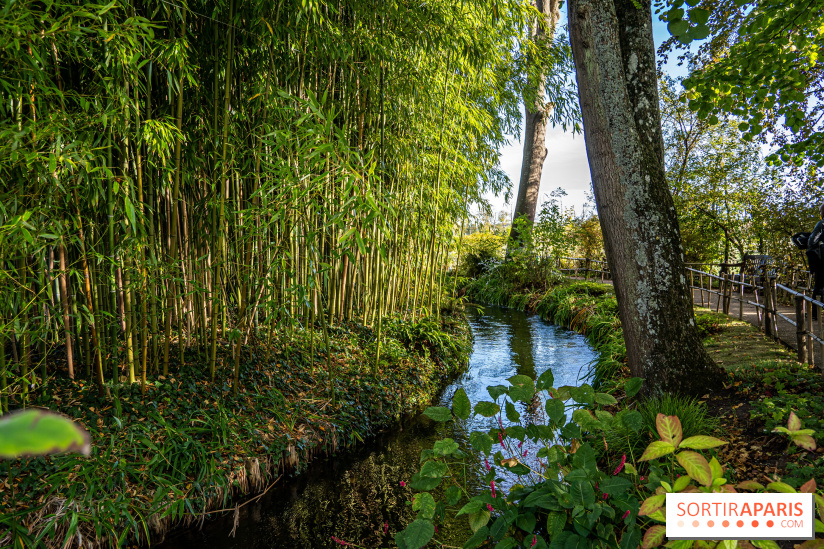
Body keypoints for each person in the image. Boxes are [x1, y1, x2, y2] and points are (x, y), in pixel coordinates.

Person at [807, 204, 824, 319]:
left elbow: (812, 241)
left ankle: (814, 314)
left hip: (822, 260)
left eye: (821, 211)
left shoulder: (822, 224)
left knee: (819, 285)